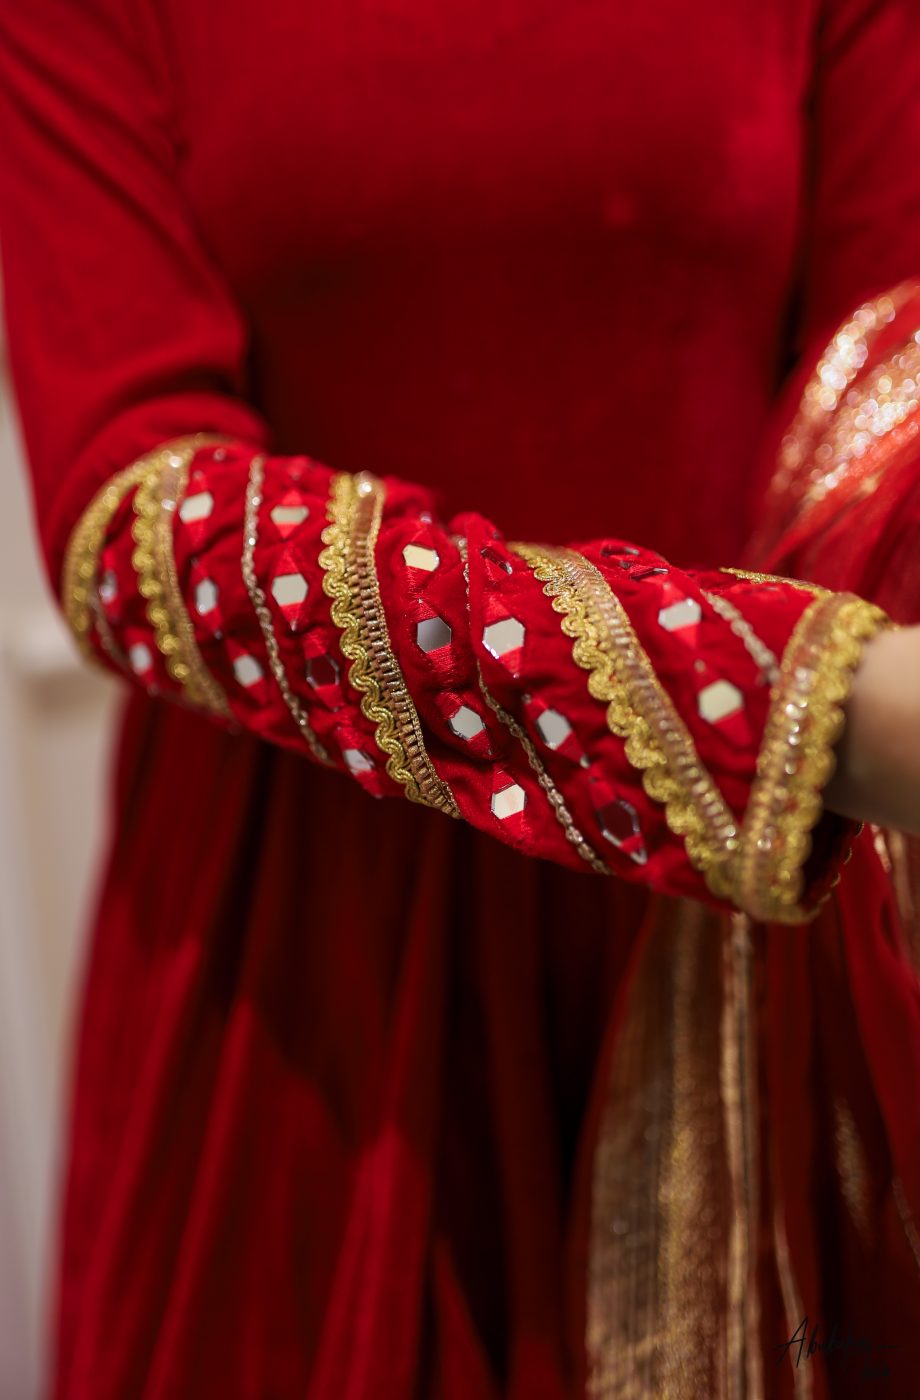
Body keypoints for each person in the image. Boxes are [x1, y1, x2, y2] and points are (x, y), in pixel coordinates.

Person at [0, 1, 919, 1395]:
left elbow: (886, 392)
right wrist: (775, 708)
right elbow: (130, 525)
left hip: (743, 954)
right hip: (315, 972)